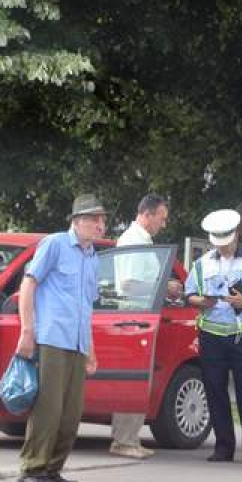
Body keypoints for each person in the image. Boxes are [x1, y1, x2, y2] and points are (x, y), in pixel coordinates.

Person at [15, 194, 105, 482]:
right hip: (52, 337)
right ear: (77, 221)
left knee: (71, 412)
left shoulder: (93, 257)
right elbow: (28, 284)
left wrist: (90, 348)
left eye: (102, 219)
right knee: (48, 408)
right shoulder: (54, 244)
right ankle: (32, 468)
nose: (100, 225)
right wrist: (27, 330)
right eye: (94, 219)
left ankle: (52, 469)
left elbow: (87, 306)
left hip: (77, 342)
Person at [184, 209, 242, 462]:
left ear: (236, 235)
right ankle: (223, 447)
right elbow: (188, 293)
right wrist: (201, 301)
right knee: (215, 391)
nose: (223, 248)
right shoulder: (202, 264)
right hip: (211, 335)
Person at [109, 193, 170, 459]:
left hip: (139, 319)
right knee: (133, 380)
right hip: (134, 319)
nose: (163, 224)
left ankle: (129, 438)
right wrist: (164, 287)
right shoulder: (134, 241)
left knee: (138, 379)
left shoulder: (140, 240)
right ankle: (124, 440)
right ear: (147, 214)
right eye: (161, 218)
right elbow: (129, 284)